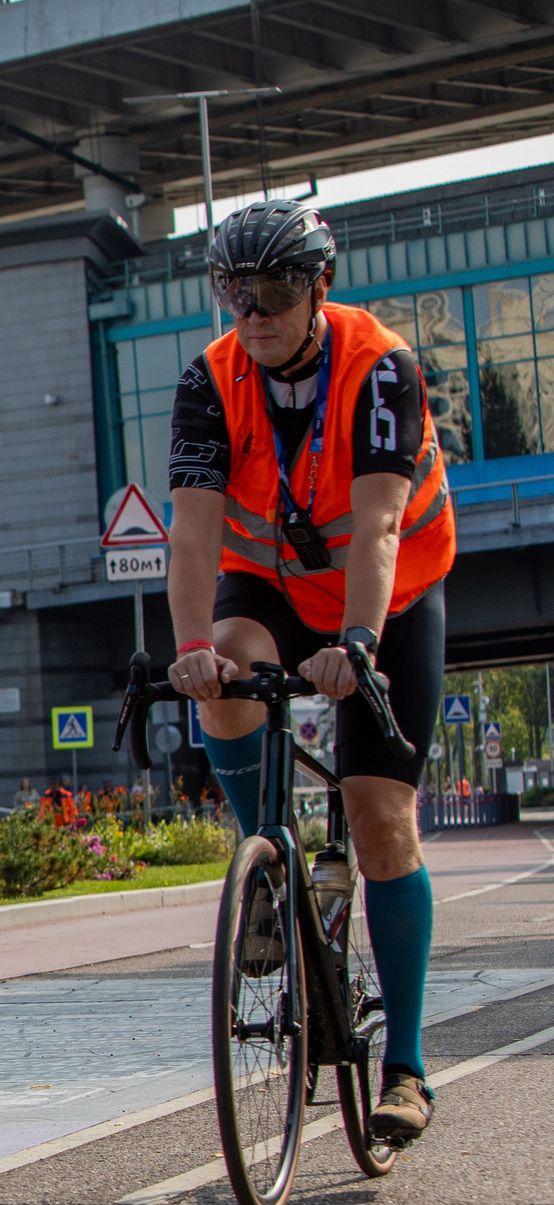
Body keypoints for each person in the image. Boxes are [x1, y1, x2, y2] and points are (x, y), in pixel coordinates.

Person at [166, 198, 455, 1144]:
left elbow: (374, 527)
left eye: (276, 289)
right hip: (275, 586)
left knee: (379, 820)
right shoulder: (211, 380)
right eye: (236, 290)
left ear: (318, 288)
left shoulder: (382, 370)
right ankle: (267, 872)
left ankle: (406, 1066)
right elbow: (196, 536)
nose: (254, 310)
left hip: (390, 600)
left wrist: (361, 645)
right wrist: (190, 651)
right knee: (233, 662)